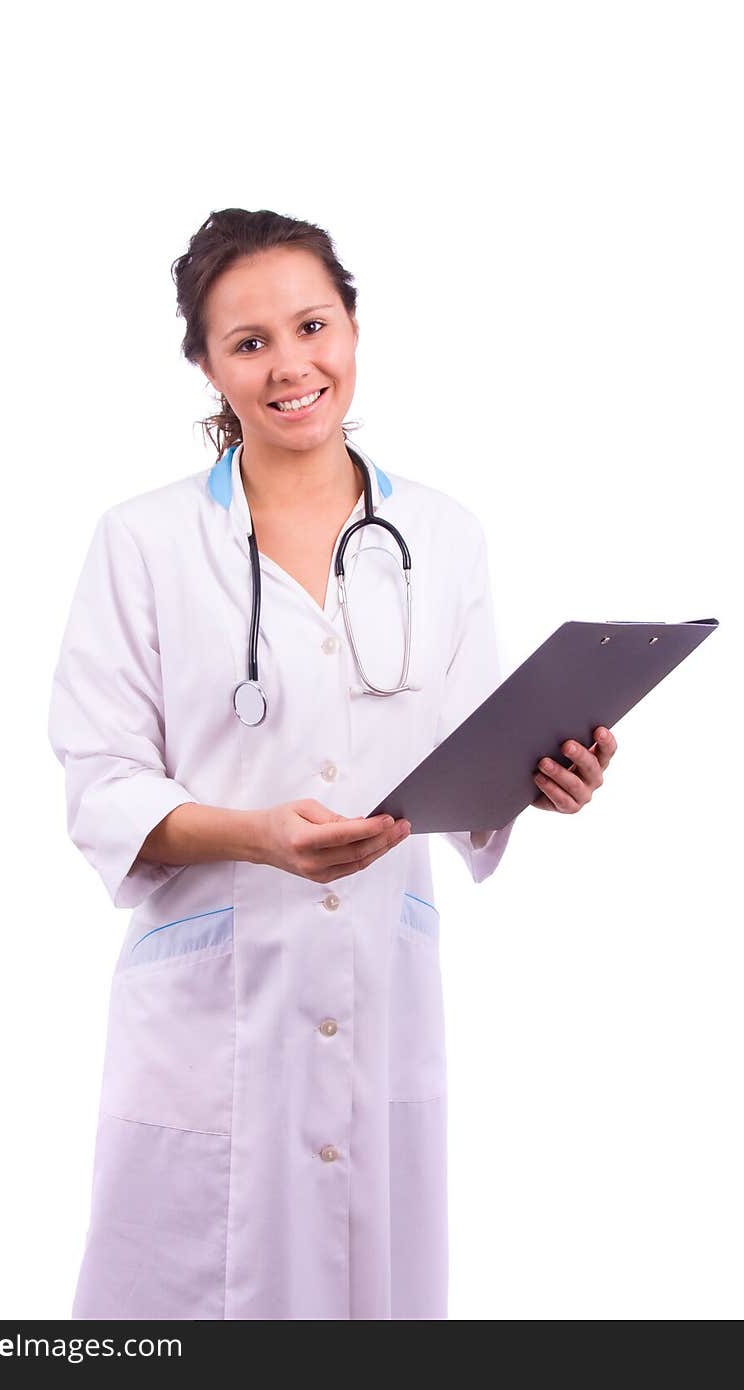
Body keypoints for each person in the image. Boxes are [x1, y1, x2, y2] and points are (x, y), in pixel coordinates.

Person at [47, 206, 617, 1321]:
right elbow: (101, 781)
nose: (290, 365)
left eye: (313, 325)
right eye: (248, 342)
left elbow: (476, 749)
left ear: (353, 326)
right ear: (206, 366)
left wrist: (547, 779)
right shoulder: (144, 541)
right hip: (215, 997)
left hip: (380, 985)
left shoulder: (443, 535)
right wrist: (257, 833)